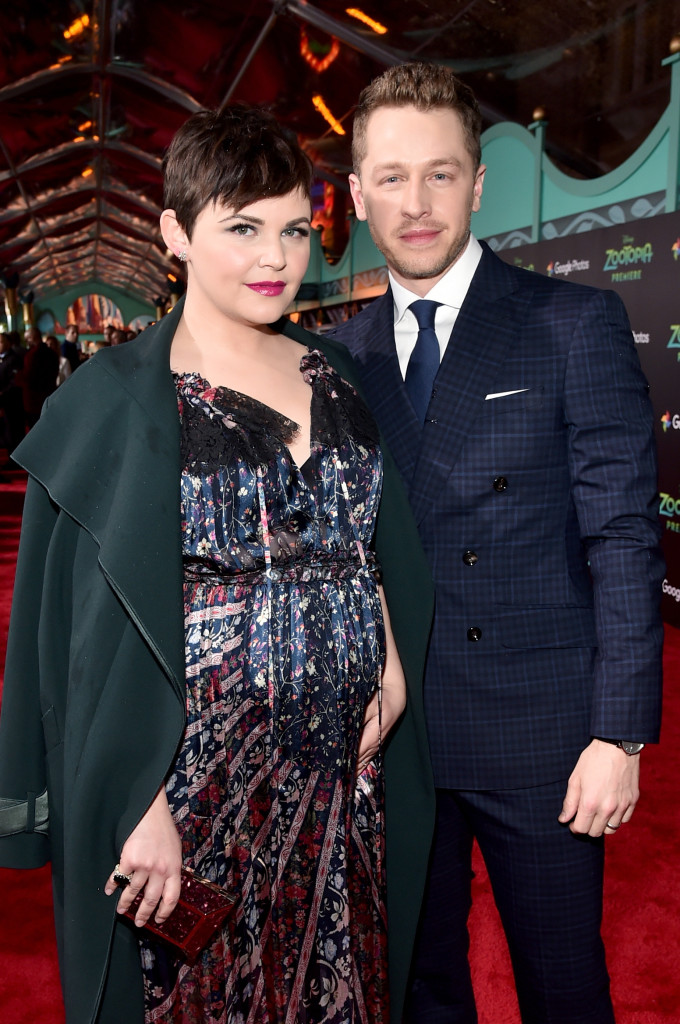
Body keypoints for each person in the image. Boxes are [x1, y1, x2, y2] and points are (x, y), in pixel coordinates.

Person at [0, 105, 434, 1024]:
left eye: (292, 229)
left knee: (332, 989)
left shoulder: (335, 375)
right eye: (241, 229)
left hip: (338, 773)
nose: (275, 257)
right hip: (194, 783)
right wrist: (135, 797)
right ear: (175, 235)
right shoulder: (112, 399)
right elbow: (78, 639)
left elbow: (368, 542)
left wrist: (391, 662)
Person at [329, 62, 664, 1024]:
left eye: (441, 173)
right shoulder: (337, 359)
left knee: (565, 987)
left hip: (545, 737)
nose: (418, 202)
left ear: (480, 183)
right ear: (357, 196)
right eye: (391, 177)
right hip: (398, 738)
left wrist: (619, 731)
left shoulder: (572, 324)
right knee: (421, 987)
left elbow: (624, 536)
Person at [20, 325, 59, 427]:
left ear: (32, 337)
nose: (26, 342)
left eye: (27, 339)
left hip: (33, 401)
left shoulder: (32, 355)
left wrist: (17, 377)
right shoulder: (52, 353)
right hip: (49, 396)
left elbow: (29, 378)